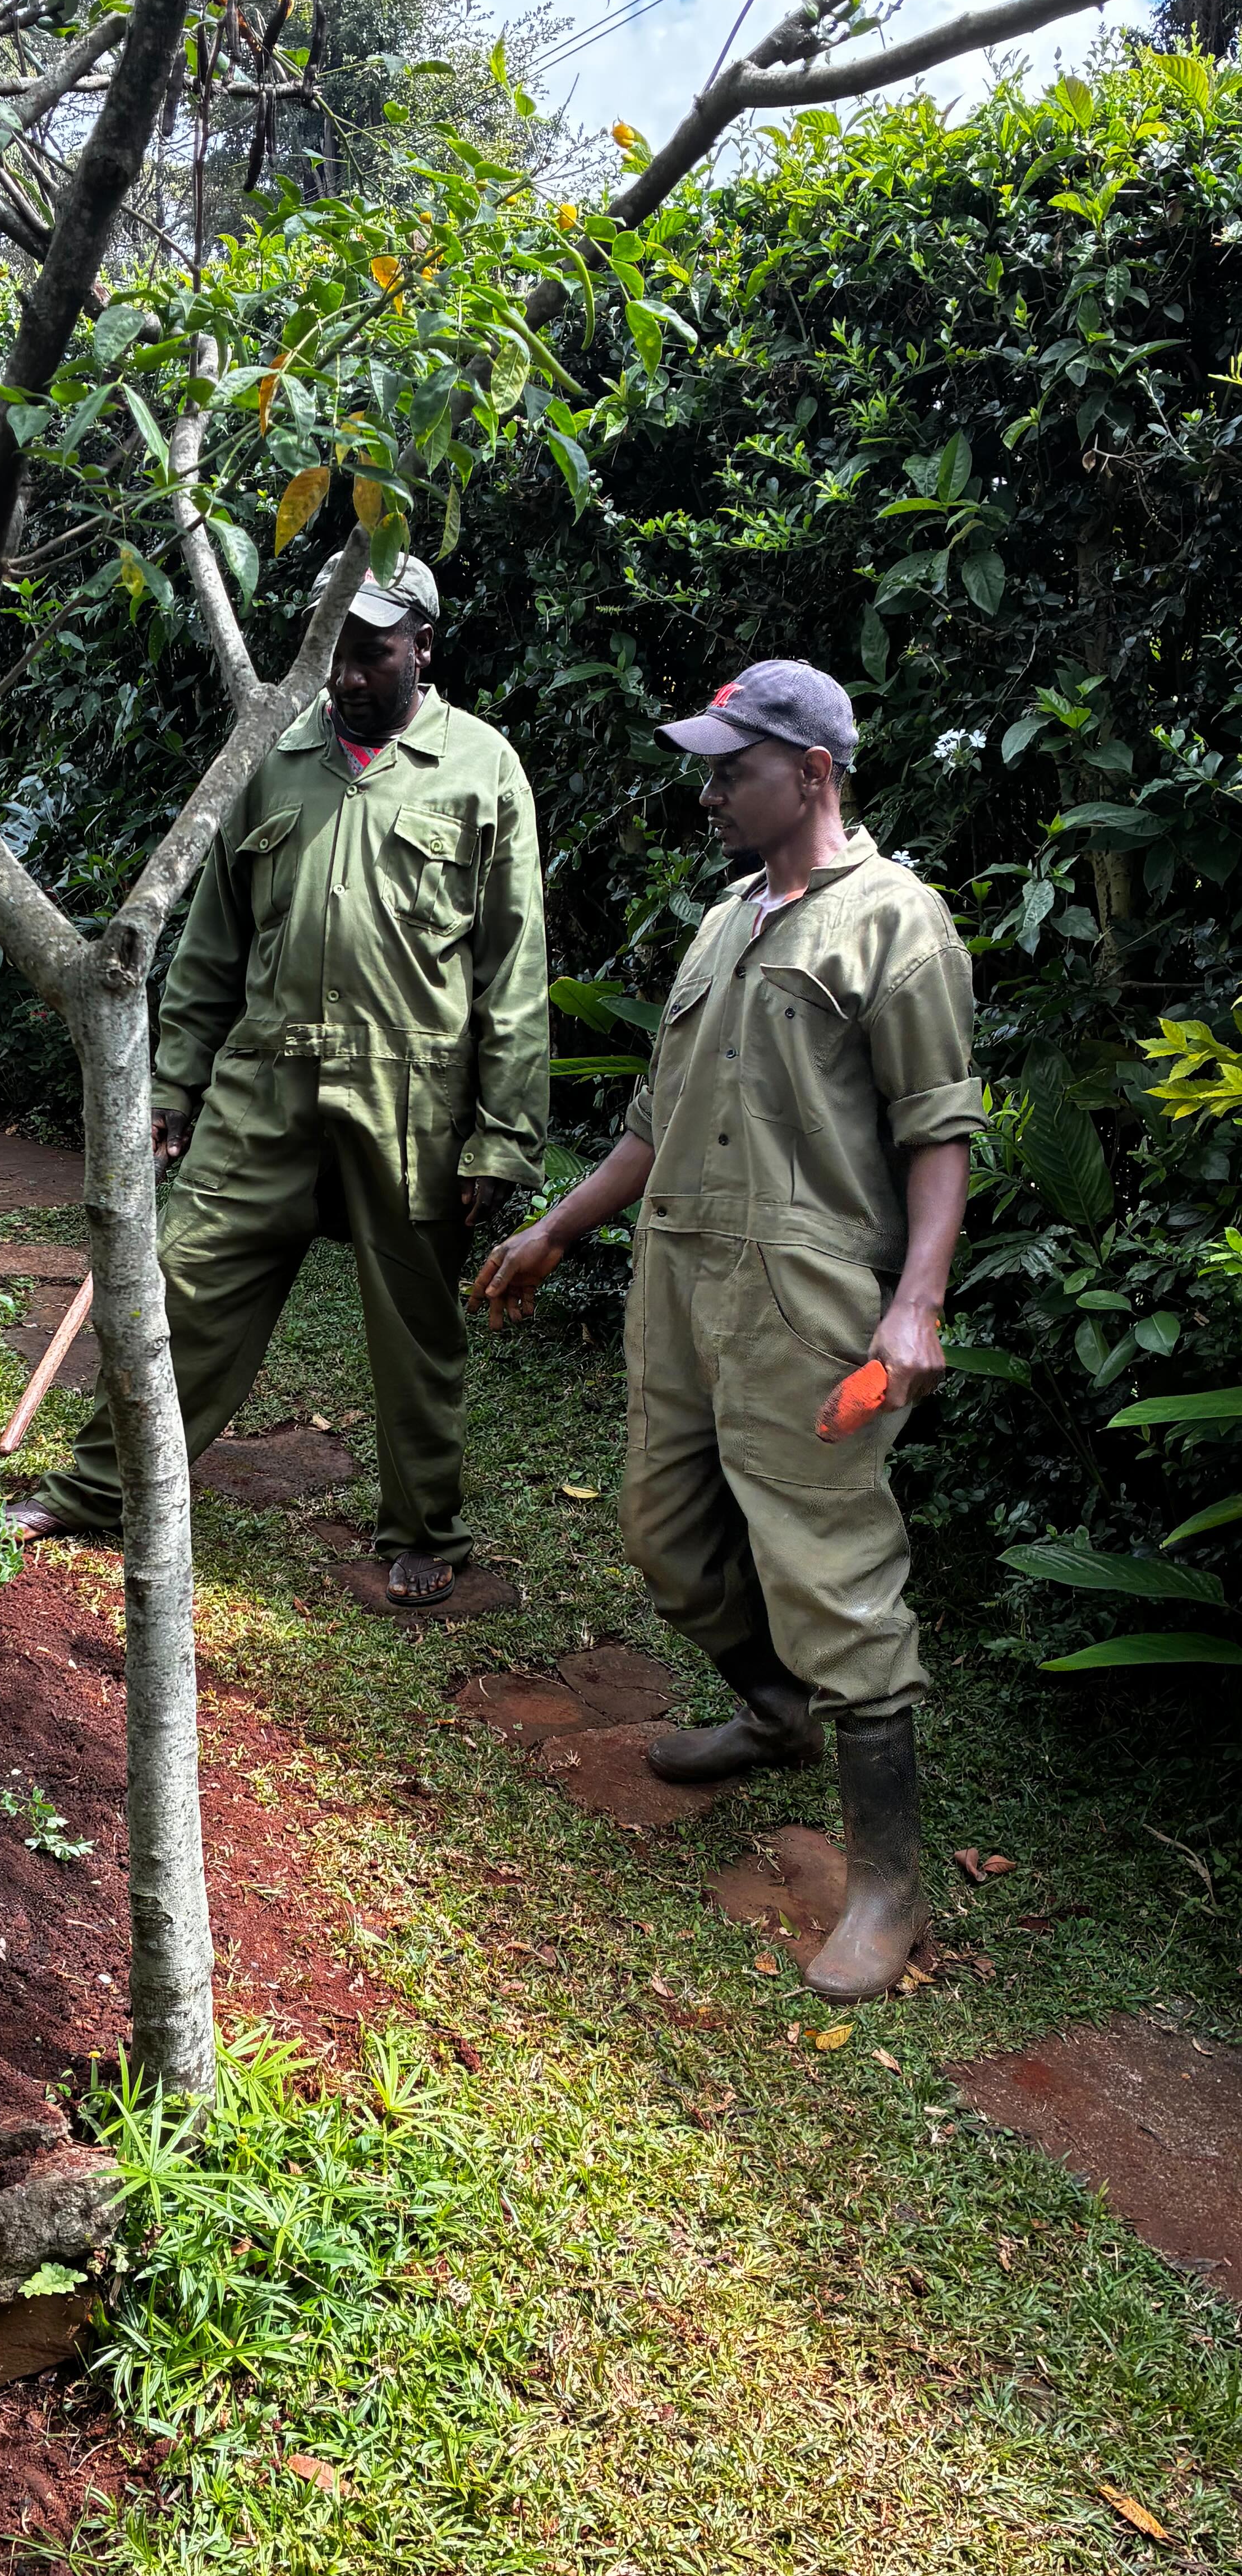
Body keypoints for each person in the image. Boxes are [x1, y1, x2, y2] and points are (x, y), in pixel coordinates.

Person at [470, 659, 978, 2002]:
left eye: (729, 770)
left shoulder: (897, 922)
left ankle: (886, 1887)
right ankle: (776, 1710)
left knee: (835, 1571)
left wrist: (917, 1301)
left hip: (809, 1302)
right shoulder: (719, 925)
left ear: (810, 774)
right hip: (681, 1284)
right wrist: (558, 1228)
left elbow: (939, 1130)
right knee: (663, 1531)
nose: (707, 794)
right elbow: (656, 1121)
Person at [12, 551, 549, 1608]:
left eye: (372, 653)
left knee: (415, 1331)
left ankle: (424, 1530)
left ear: (422, 647)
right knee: (182, 1286)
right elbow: (212, 944)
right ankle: (100, 1488)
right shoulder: (271, 758)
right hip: (261, 1088)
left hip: (411, 1099)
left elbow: (514, 965)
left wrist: (504, 1133)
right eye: (333, 650)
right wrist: (173, 1086)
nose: (346, 674)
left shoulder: (484, 767)